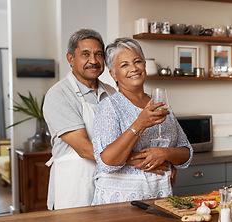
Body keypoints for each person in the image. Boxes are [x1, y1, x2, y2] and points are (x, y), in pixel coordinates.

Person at [91, 38, 193, 204]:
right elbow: (107, 162)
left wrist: (166, 154)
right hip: (118, 203)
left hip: (160, 198)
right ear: (113, 74)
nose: (134, 68)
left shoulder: (160, 103)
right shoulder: (109, 106)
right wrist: (140, 123)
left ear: (144, 65)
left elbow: (186, 152)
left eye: (137, 61)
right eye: (124, 65)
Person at [43, 29, 117, 210]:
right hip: (73, 188)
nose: (93, 61)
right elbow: (84, 149)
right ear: (70, 59)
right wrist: (133, 160)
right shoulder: (59, 94)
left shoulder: (112, 93)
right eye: (85, 54)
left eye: (98, 54)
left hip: (110, 185)